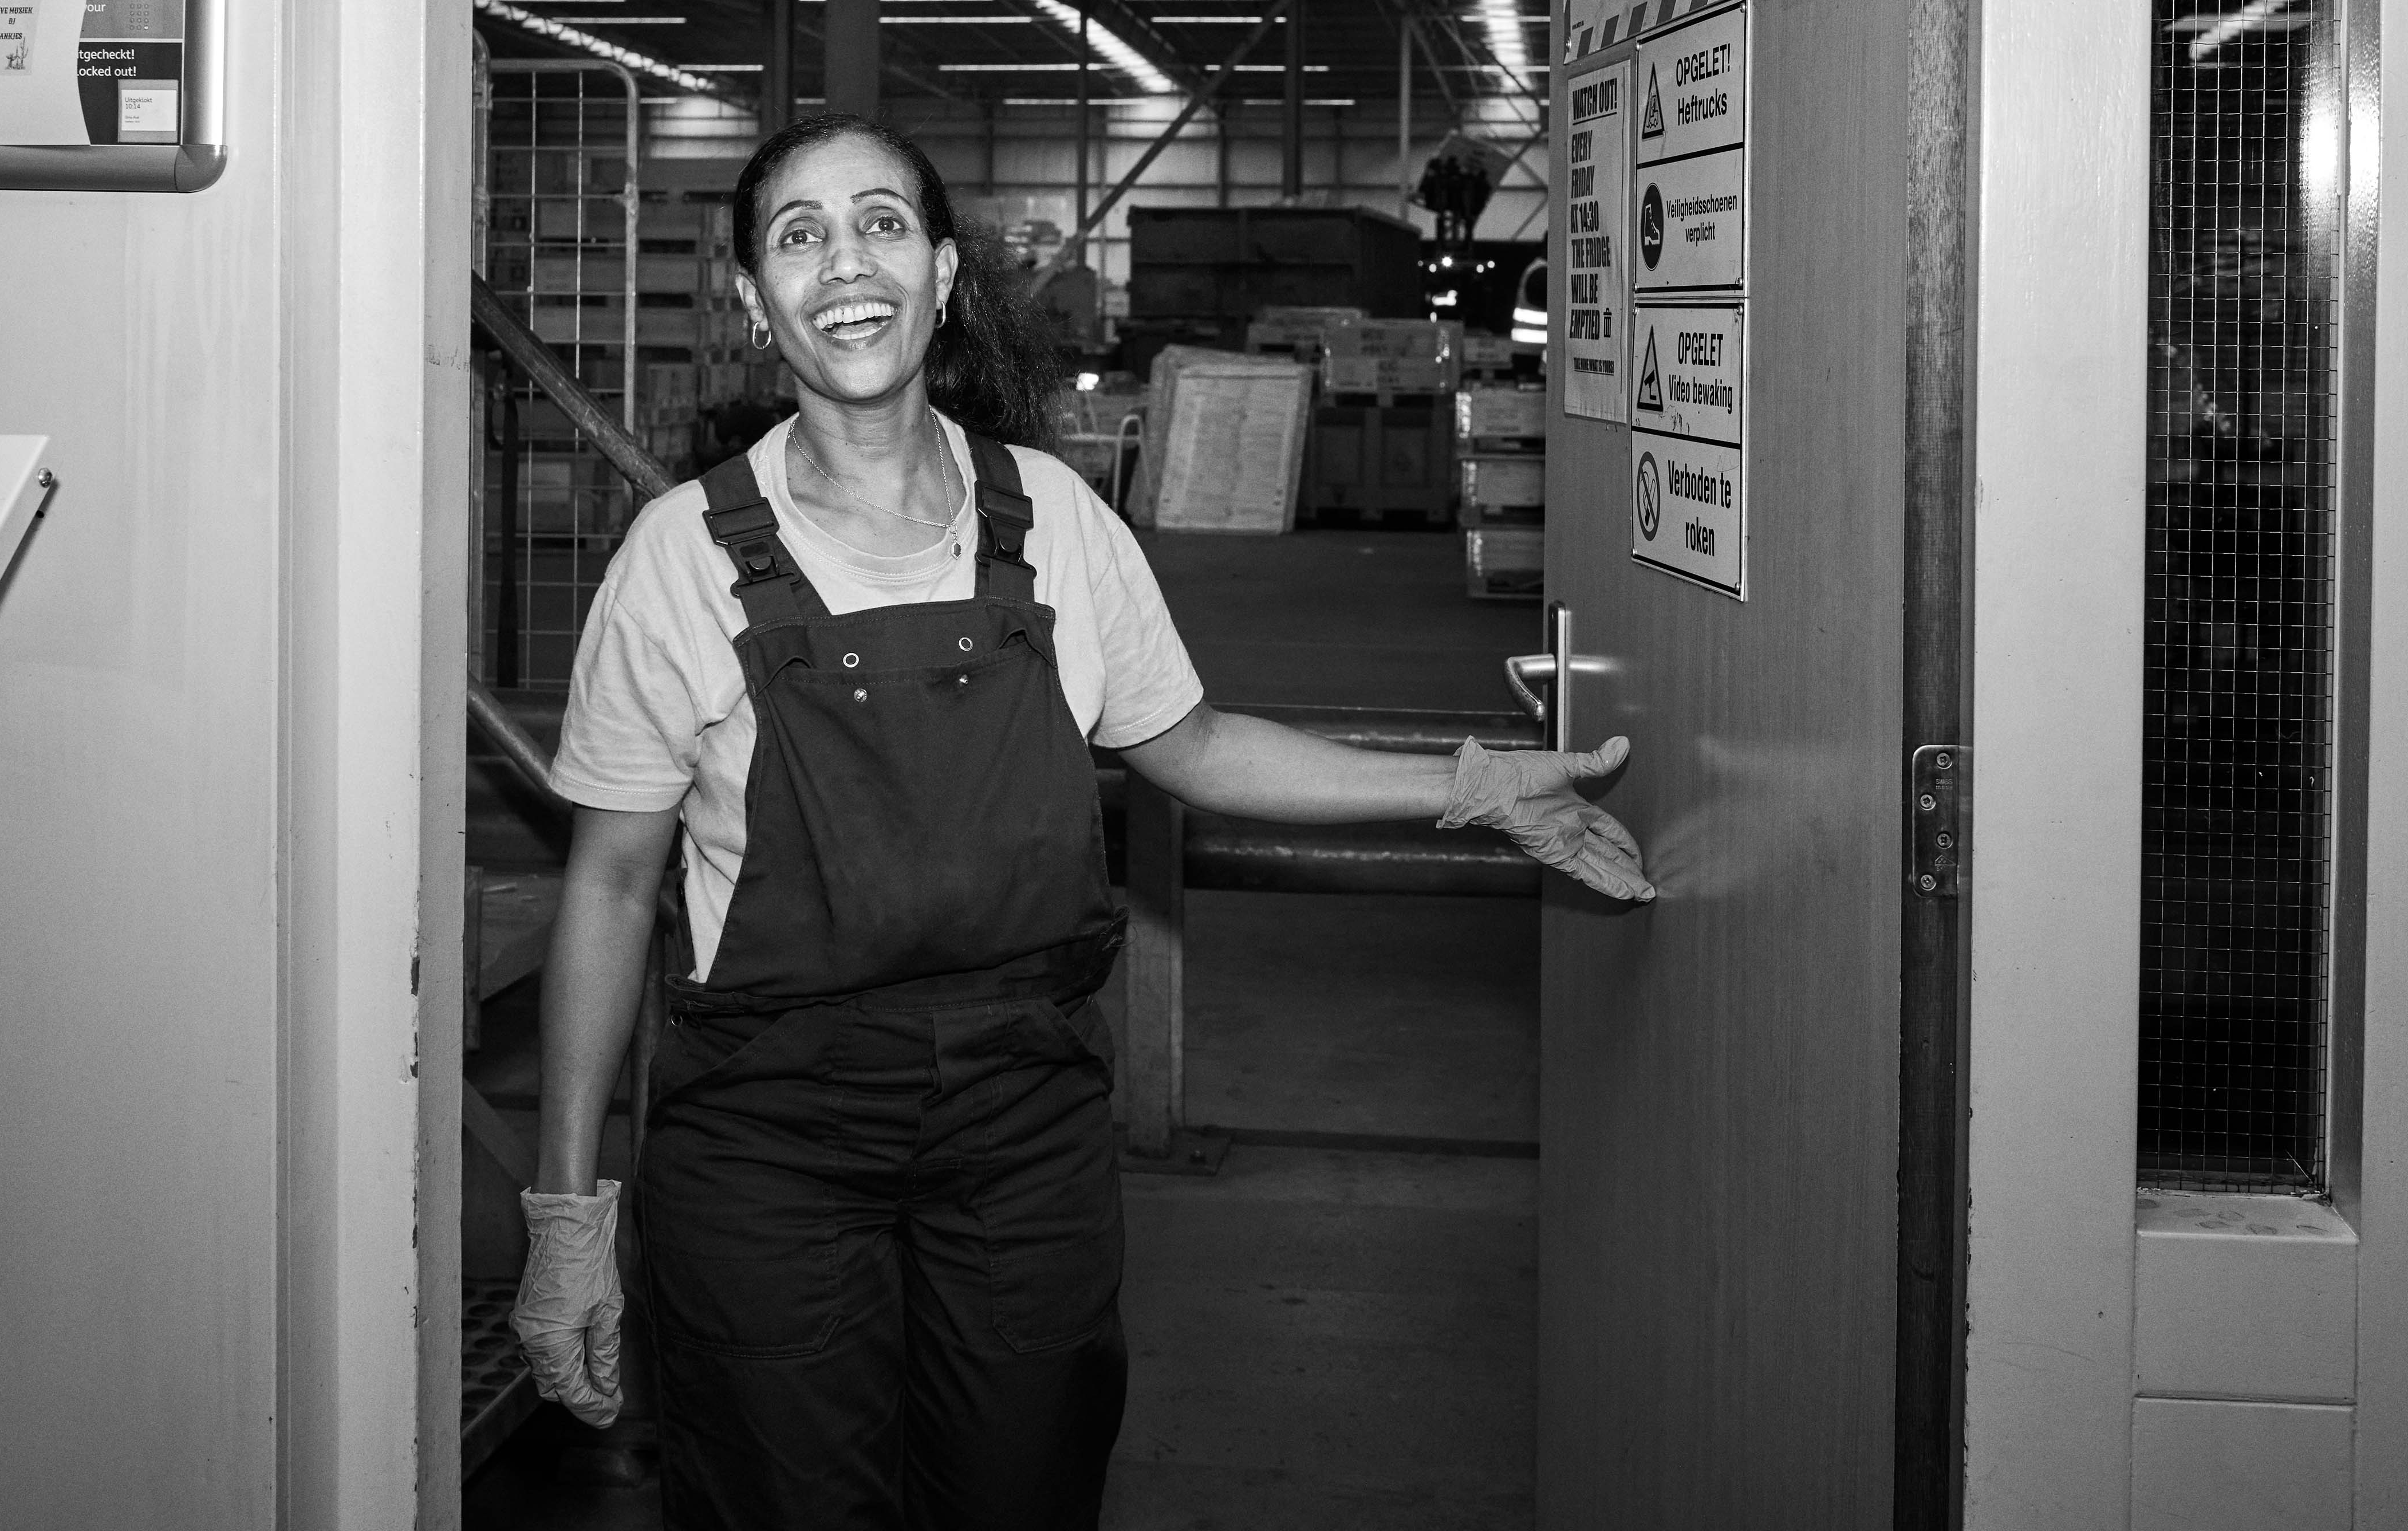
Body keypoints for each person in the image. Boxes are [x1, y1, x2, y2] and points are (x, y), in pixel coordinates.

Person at [512, 113, 1650, 1530]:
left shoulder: (1051, 516)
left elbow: (1196, 744)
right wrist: (567, 1211)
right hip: (766, 1135)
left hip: (1021, 1123)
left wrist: (1471, 786)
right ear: (756, 299)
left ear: (941, 274)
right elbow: (612, 889)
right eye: (799, 236)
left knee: (1026, 1491)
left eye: (881, 224)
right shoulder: (679, 556)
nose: (845, 264)